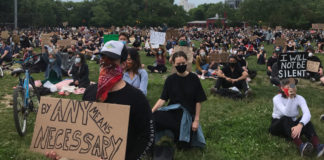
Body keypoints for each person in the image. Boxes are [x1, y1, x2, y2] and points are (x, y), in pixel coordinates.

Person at [82, 41, 154, 160]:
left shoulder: (137, 98)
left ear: (123, 64)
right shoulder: (89, 92)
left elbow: (147, 136)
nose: (105, 62)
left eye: (112, 58)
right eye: (103, 57)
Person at [152, 51, 206, 150]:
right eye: (178, 64)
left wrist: (196, 120)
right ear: (173, 64)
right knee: (153, 118)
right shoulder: (170, 79)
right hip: (173, 113)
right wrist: (151, 111)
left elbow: (199, 100)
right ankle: (150, 145)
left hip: (187, 116)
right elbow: (163, 99)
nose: (181, 65)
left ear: (187, 62)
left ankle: (176, 136)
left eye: (183, 63)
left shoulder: (194, 78)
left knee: (184, 147)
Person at [269, 78, 324, 157]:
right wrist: (290, 98)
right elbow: (286, 113)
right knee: (286, 118)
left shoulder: (299, 98)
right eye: (288, 87)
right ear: (282, 88)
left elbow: (307, 114)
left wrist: (300, 124)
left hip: (292, 127)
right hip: (277, 126)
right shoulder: (277, 98)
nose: (290, 89)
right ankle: (301, 145)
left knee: (306, 121)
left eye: (292, 86)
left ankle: (318, 146)